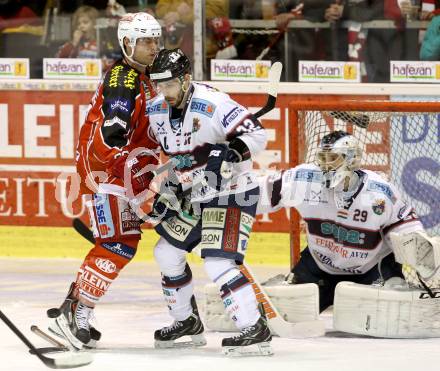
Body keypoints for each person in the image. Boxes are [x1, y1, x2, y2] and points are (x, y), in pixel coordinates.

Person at [145, 48, 272, 356]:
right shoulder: (156, 109)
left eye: (170, 84)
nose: (164, 92)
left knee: (217, 261)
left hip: (232, 191)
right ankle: (186, 321)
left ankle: (255, 329)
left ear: (186, 79)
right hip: (194, 195)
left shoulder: (214, 103)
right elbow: (178, 156)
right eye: (158, 85)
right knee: (166, 252)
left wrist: (231, 151)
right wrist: (171, 188)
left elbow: (257, 135)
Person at [46, 12, 161, 349]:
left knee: (119, 243)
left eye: (156, 39)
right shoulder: (123, 79)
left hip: (127, 173)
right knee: (117, 244)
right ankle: (76, 312)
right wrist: (117, 156)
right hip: (111, 173)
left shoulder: (148, 76)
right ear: (128, 44)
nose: (153, 47)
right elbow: (114, 124)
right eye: (145, 41)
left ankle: (74, 307)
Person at [257, 131, 426, 312]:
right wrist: (227, 199)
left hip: (371, 271)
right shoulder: (305, 180)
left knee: (386, 320)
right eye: (323, 157)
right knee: (279, 313)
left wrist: (423, 252)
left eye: (333, 158)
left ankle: (392, 284)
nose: (325, 165)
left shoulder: (380, 193)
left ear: (352, 159)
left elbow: (408, 231)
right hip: (318, 267)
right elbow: (258, 193)